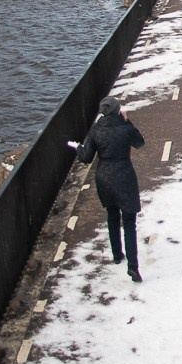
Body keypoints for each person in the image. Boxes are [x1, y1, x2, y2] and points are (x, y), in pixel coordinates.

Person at [77, 96, 146, 281]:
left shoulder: (95, 130)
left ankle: (117, 255)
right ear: (117, 110)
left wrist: (78, 149)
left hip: (104, 177)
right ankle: (133, 266)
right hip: (124, 175)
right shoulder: (125, 128)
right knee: (129, 222)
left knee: (112, 215)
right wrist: (128, 121)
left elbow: (86, 157)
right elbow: (139, 142)